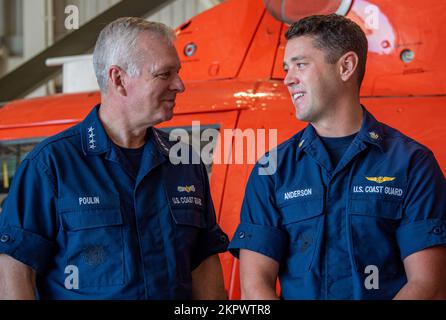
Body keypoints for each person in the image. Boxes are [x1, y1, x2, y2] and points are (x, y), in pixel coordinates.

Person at [0, 17, 229, 300]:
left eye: (177, 72)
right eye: (164, 74)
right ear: (118, 79)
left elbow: (204, 263)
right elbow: (15, 270)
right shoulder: (51, 166)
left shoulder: (184, 162)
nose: (179, 85)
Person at [228, 14, 446, 299]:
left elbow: (428, 286)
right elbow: (255, 288)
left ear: (346, 66)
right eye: (286, 67)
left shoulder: (413, 164)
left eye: (301, 65)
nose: (288, 79)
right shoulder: (271, 170)